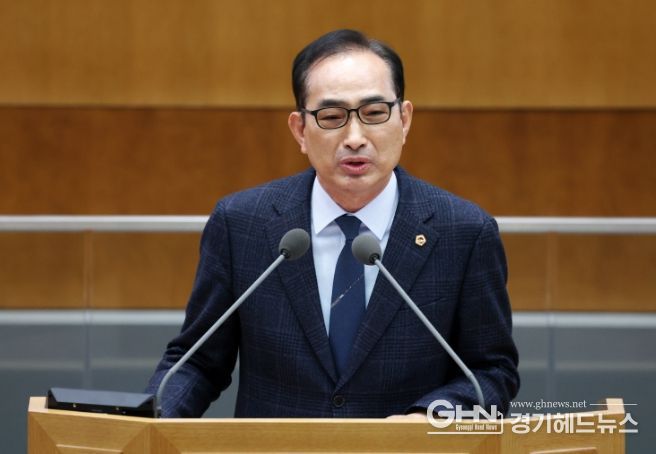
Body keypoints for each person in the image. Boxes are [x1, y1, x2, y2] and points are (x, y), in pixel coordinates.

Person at [147, 29, 519, 418]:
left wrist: (428, 418)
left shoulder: (464, 232)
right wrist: (151, 421)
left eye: (374, 113)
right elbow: (197, 362)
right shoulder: (242, 224)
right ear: (300, 130)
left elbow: (491, 372)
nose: (355, 138)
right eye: (331, 117)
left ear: (404, 119)